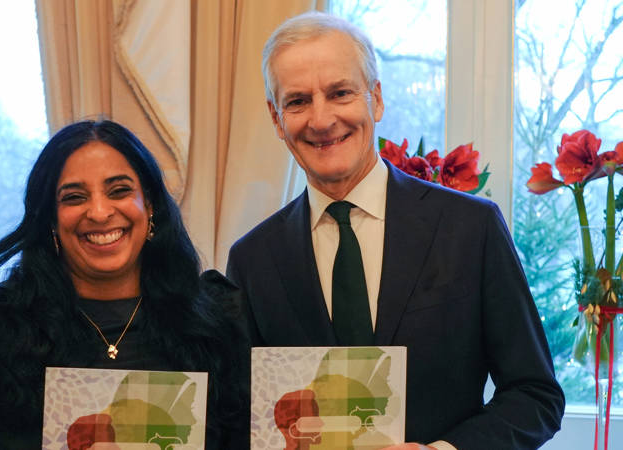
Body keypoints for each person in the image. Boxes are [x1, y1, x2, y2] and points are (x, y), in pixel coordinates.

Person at [226, 11, 565, 450]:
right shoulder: (253, 260)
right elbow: (238, 417)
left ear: (376, 99)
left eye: (340, 92)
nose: (321, 119)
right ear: (277, 119)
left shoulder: (469, 228)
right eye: (297, 101)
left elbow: (535, 395)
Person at [0, 119, 249, 449]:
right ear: (50, 220)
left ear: (150, 206)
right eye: (74, 197)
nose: (99, 212)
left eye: (119, 190)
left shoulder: (214, 324)